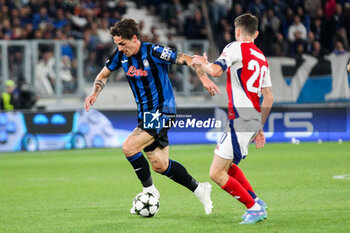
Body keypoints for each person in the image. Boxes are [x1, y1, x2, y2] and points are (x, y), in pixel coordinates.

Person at [84, 19, 220, 215]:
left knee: (129, 147)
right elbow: (103, 75)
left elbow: (189, 60)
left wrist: (204, 78)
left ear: (134, 38)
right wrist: (95, 93)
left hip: (163, 111)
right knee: (160, 165)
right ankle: (200, 189)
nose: (120, 48)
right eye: (117, 44)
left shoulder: (154, 52)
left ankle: (150, 192)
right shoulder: (120, 57)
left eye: (122, 44)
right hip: (146, 115)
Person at [192, 13, 274, 224]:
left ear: (237, 31)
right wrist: (259, 126)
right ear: (256, 33)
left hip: (241, 118)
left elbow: (217, 71)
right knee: (226, 166)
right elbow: (269, 97)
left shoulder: (234, 47)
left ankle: (254, 208)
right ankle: (256, 201)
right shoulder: (262, 58)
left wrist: (204, 63)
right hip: (251, 118)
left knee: (216, 172)